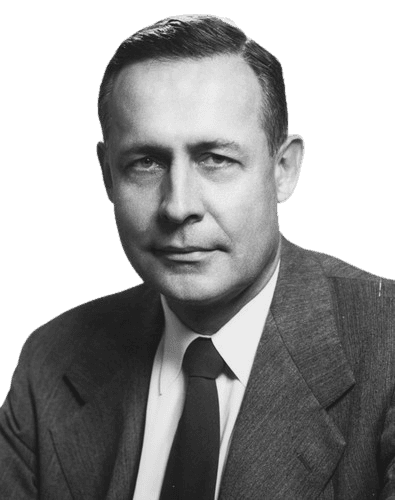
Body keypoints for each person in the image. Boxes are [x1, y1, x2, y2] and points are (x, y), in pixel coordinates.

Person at [1, 14, 394, 500]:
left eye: (215, 159)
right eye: (145, 162)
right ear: (107, 177)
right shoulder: (49, 361)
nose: (178, 205)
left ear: (284, 171)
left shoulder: (387, 344)